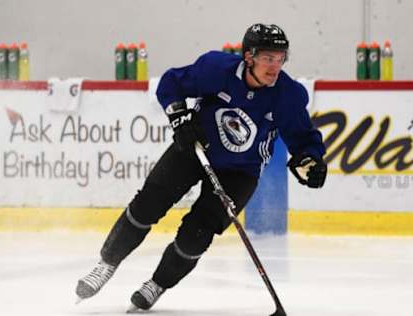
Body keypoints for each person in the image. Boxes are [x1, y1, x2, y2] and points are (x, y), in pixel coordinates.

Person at [75, 23, 327, 311]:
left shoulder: (288, 94)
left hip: (240, 173)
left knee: (197, 234)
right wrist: (179, 117)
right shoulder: (216, 69)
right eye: (267, 58)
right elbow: (170, 83)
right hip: (195, 150)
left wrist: (312, 159)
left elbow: (303, 137)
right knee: (148, 204)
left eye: (280, 58)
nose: (275, 66)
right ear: (248, 56)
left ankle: (158, 284)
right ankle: (107, 264)